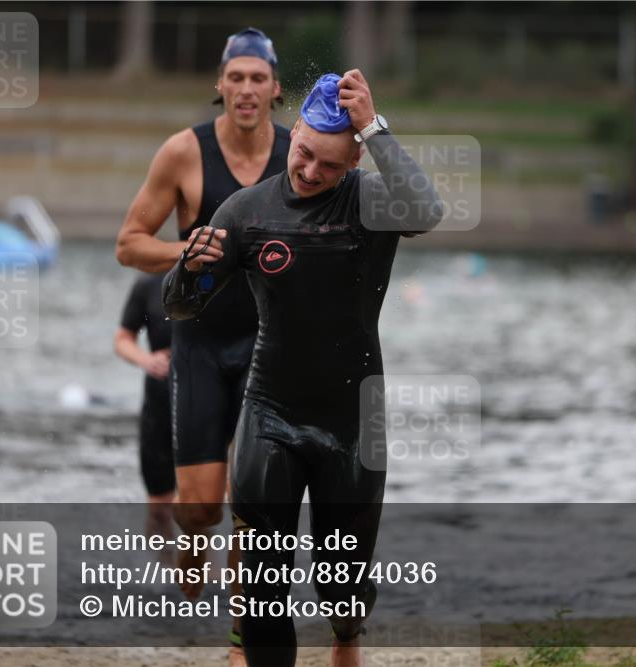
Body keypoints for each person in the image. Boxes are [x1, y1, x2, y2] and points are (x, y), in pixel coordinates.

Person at [163, 70, 443, 667]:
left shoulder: (370, 200)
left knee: (343, 591)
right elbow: (180, 305)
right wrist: (187, 269)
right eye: (305, 154)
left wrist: (373, 124)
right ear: (294, 135)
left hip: (351, 424)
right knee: (263, 592)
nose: (312, 172)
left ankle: (347, 638)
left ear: (356, 160)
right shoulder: (247, 210)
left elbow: (428, 209)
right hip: (271, 414)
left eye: (331, 166)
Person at [115, 27, 290, 662]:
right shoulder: (183, 153)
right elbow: (129, 243)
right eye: (235, 78)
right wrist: (183, 249)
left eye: (258, 78)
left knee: (254, 507)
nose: (246, 89)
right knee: (199, 512)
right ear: (219, 86)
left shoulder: (298, 155)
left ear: (275, 88)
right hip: (199, 347)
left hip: (272, 351)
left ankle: (241, 646)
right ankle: (190, 551)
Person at [114, 272, 174, 536]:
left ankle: (205, 569)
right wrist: (145, 360)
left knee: (201, 504)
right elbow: (123, 339)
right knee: (160, 504)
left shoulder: (227, 277)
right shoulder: (149, 283)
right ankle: (161, 569)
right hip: (160, 399)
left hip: (213, 398)